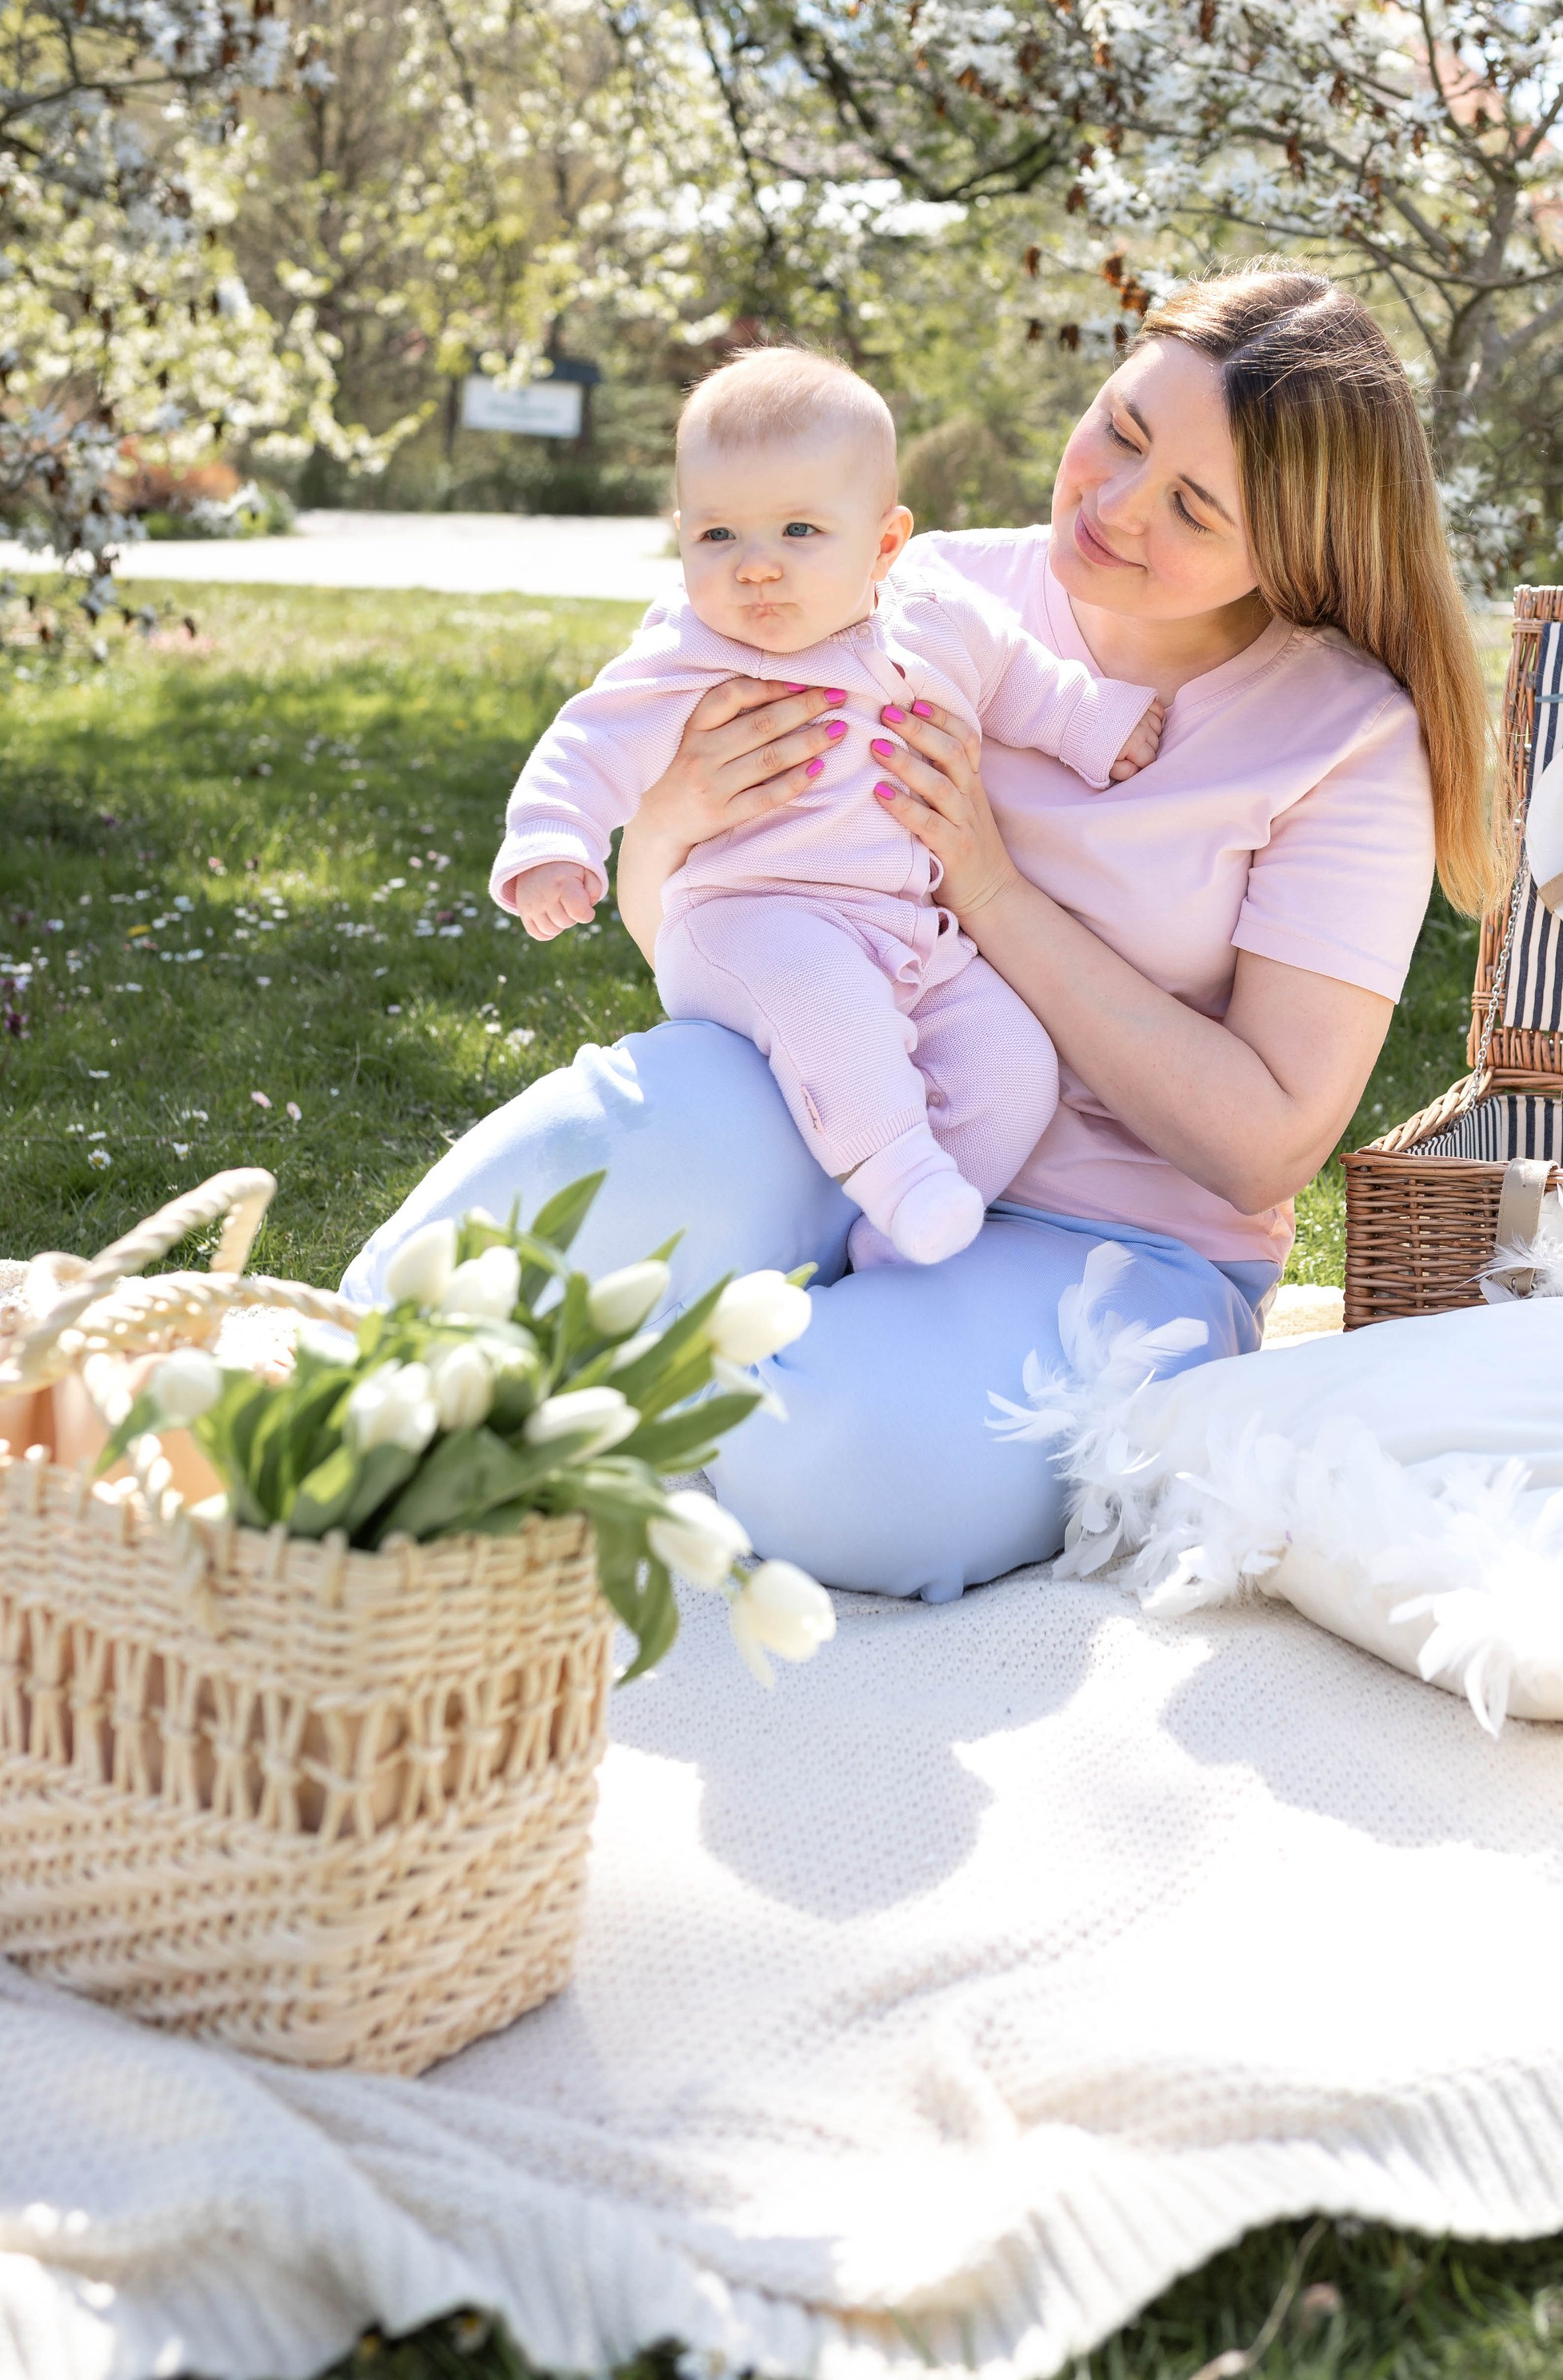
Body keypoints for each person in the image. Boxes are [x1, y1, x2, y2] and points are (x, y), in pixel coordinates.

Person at [343, 268, 1500, 1602]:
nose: (1116, 506)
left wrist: (994, 890)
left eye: (1193, 506)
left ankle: (697, 1380)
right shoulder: (920, 585)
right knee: (586, 1171)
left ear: (1293, 546)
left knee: (829, 1459)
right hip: (832, 1104)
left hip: (1114, 1239)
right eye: (1121, 431)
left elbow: (1268, 1140)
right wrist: (666, 821)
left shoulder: (1343, 738)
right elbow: (716, 948)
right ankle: (312, 1370)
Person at [494, 345, 1162, 1267]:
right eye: (718, 538)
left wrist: (1094, 724)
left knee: (1012, 1065)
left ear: (885, 543)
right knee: (827, 997)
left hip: (907, 933)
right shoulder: (688, 649)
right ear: (681, 534)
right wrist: (553, 838)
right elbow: (591, 738)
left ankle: (904, 1231)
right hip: (746, 923)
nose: (755, 569)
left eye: (799, 532)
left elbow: (1022, 680)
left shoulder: (938, 617)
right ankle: (895, 1172)